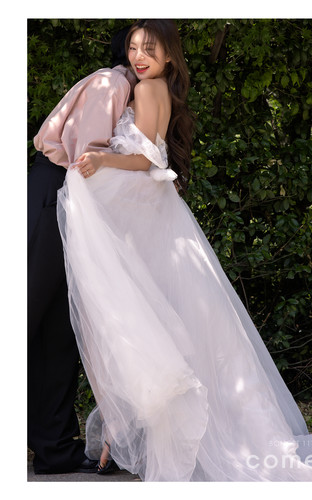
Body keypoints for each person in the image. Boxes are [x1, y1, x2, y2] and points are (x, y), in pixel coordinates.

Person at [57, 19, 312, 481]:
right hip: (158, 211)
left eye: (149, 48)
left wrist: (102, 159)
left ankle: (149, 432)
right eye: (133, 47)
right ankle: (137, 431)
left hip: (147, 206)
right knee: (170, 315)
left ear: (169, 54)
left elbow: (147, 159)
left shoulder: (146, 89)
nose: (139, 57)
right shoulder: (159, 89)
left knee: (142, 314)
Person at [28, 25, 136, 475]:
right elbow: (83, 160)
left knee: (59, 330)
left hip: (71, 201)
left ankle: (55, 449)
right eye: (140, 46)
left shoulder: (129, 91)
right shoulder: (112, 83)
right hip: (57, 193)